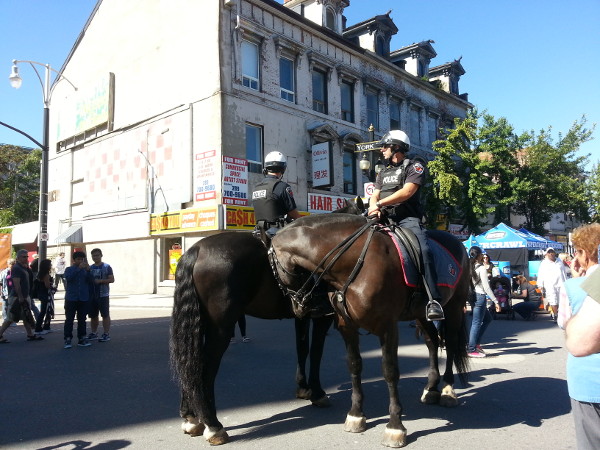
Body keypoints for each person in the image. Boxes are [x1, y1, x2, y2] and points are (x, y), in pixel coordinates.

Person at [367, 129, 443, 321]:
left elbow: (407, 192)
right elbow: (374, 194)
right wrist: (372, 208)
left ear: (396, 147)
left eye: (385, 146)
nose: (382, 150)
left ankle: (433, 299)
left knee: (423, 250)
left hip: (407, 219)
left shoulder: (415, 167)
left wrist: (380, 204)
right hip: (383, 218)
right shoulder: (383, 171)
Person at [557, 223, 600, 449]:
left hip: (589, 383)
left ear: (583, 253)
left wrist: (574, 279)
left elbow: (565, 326)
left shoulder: (572, 286)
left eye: (577, 251)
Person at [251, 151, 301, 244]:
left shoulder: (256, 188)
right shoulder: (282, 187)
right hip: (278, 234)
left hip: (258, 232)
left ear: (266, 168)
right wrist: (302, 221)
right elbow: (293, 213)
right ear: (282, 169)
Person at [0, 249, 44, 343]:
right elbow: (16, 283)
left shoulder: (24, 267)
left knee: (26, 316)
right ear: (18, 258)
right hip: (16, 296)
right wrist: (20, 296)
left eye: (27, 256)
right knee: (10, 318)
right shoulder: (16, 268)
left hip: (25, 295)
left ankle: (30, 334)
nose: (26, 258)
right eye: (24, 256)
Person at [467, 246, 501, 358]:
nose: (483, 256)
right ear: (479, 255)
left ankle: (476, 343)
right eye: (482, 254)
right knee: (476, 323)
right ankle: (471, 348)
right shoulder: (481, 268)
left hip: (472, 296)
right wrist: (495, 301)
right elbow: (486, 287)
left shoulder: (469, 266)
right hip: (480, 296)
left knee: (487, 319)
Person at [63, 251, 95, 349]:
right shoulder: (69, 269)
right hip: (71, 298)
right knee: (69, 319)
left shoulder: (86, 270)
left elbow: (91, 281)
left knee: (82, 319)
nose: (80, 261)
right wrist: (78, 269)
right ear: (74, 260)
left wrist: (89, 271)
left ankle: (82, 337)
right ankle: (68, 338)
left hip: (83, 298)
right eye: (78, 259)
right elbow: (68, 278)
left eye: (82, 259)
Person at [87, 248, 114, 342]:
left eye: (97, 255)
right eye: (94, 256)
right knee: (93, 315)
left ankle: (106, 333)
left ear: (101, 255)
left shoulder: (107, 267)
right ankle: (94, 333)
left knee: (105, 314)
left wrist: (101, 281)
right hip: (92, 295)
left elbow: (112, 279)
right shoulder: (90, 268)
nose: (95, 257)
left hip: (103, 294)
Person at [537, 247, 568, 322]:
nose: (551, 254)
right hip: (550, 285)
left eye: (552, 252)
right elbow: (541, 274)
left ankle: (561, 315)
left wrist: (566, 282)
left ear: (555, 253)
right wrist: (540, 285)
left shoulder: (559, 261)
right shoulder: (544, 263)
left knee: (561, 300)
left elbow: (564, 272)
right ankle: (556, 315)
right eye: (549, 252)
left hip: (561, 283)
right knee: (553, 300)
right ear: (547, 254)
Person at [34, 259, 56, 335]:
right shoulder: (45, 275)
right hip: (45, 294)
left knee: (47, 311)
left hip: (42, 294)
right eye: (50, 264)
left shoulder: (40, 274)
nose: (51, 266)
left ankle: (47, 326)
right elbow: (47, 285)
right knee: (44, 311)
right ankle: (38, 328)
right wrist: (53, 286)